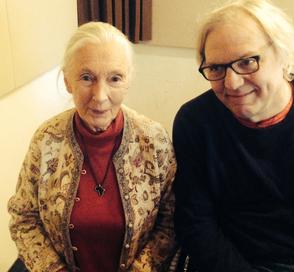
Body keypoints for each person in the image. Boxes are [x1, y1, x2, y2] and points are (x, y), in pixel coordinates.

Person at [172, 0, 294, 271]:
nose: (231, 83)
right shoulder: (194, 122)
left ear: (283, 56)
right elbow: (196, 224)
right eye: (216, 68)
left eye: (247, 62)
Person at [8, 22, 177, 272]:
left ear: (128, 81)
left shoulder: (154, 140)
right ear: (68, 82)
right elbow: (23, 219)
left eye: (114, 78)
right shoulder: (46, 140)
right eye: (87, 77)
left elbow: (170, 221)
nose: (100, 96)